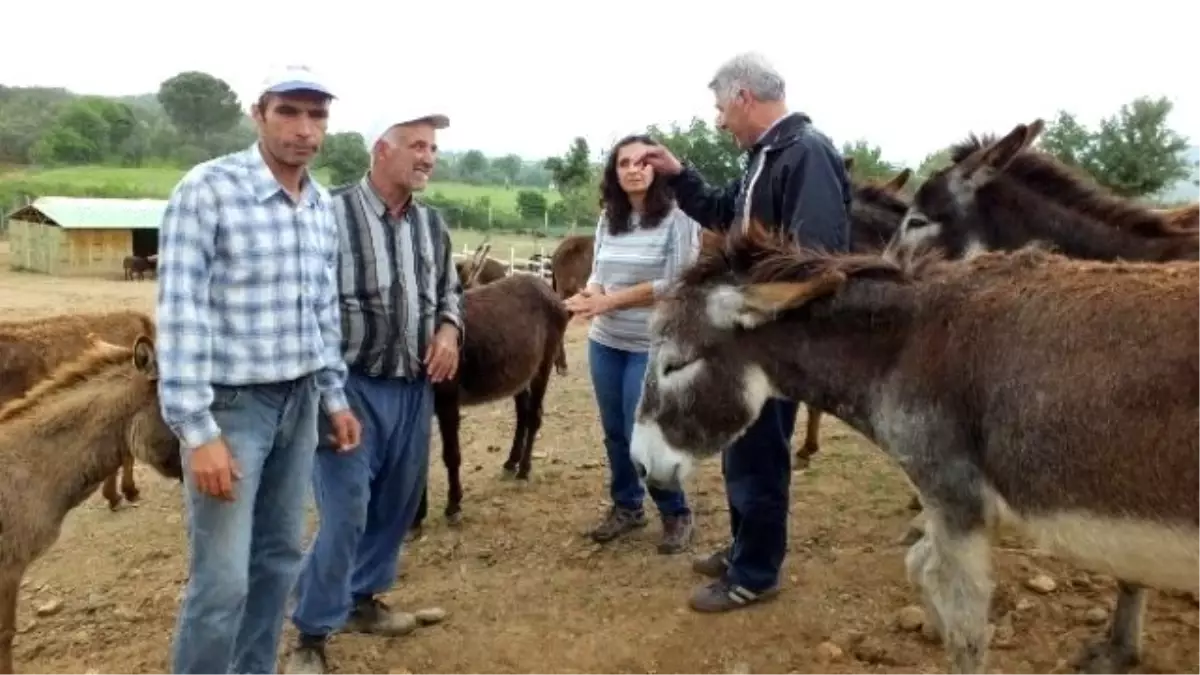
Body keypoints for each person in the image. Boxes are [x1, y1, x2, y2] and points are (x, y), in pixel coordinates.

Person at [157, 65, 362, 675]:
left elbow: (321, 310)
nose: (305, 130)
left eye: (317, 116)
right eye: (289, 113)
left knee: (276, 561)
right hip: (231, 407)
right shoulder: (209, 190)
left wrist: (334, 397)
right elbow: (180, 311)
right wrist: (198, 431)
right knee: (221, 582)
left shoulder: (320, 204)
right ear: (258, 114)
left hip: (298, 403)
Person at [631, 52, 851, 613]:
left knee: (760, 458)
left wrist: (749, 304)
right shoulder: (767, 158)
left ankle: (756, 572)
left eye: (721, 108)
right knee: (741, 451)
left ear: (744, 99)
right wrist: (680, 176)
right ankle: (743, 547)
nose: (720, 120)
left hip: (773, 346)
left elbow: (817, 259)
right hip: (748, 341)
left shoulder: (805, 155)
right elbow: (722, 210)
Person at [284, 110, 465, 675]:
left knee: (396, 503)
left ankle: (362, 601)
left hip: (413, 389)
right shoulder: (326, 214)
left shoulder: (431, 225)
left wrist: (449, 331)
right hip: (348, 388)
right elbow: (304, 302)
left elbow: (448, 292)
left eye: (432, 148)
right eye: (416, 145)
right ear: (380, 152)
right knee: (346, 512)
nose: (428, 157)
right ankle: (311, 634)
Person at [565, 134, 700, 555]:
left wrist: (610, 300)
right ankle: (627, 505)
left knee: (639, 431)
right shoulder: (610, 218)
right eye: (624, 163)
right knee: (613, 433)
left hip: (651, 344)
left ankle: (675, 511)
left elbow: (677, 283)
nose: (633, 169)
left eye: (643, 162)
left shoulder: (680, 218)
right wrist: (589, 294)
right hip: (606, 341)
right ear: (615, 172)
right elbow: (599, 270)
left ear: (657, 169)